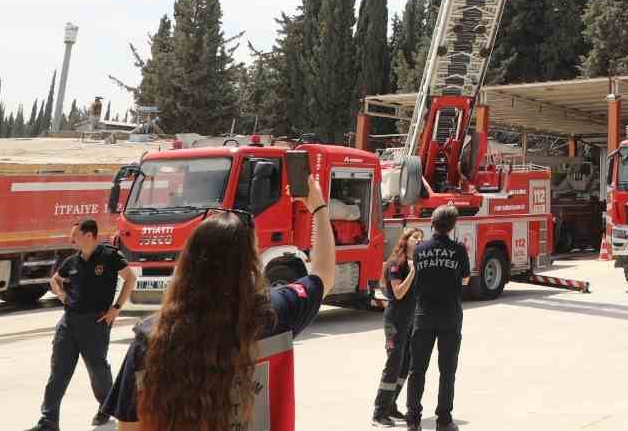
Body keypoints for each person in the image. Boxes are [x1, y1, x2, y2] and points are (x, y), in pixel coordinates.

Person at [107, 177, 335, 431]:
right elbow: (324, 273)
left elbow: (128, 426)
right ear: (250, 265)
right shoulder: (273, 314)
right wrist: (318, 207)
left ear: (188, 264)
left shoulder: (151, 338)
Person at [26, 218, 135, 431]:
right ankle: (48, 420)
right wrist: (62, 296)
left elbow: (130, 279)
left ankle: (106, 407)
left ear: (89, 235)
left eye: (75, 235)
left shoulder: (110, 256)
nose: (71, 240)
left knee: (97, 369)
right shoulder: (72, 261)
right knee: (59, 371)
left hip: (95, 322)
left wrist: (116, 308)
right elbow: (55, 280)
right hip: (69, 322)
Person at [407, 204, 472, 431]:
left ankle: (413, 420)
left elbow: (418, 275)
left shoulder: (419, 250)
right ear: (453, 226)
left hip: (423, 314)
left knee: (417, 369)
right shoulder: (459, 250)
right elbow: (465, 279)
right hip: (449, 315)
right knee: (447, 370)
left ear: (432, 223)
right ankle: (444, 419)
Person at [373, 227, 424, 426]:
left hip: (411, 321)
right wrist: (413, 272)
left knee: (406, 363)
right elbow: (399, 293)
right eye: (415, 237)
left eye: (421, 238)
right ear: (405, 240)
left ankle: (391, 406)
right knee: (393, 364)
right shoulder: (396, 264)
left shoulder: (416, 263)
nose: (419, 240)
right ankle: (379, 413)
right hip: (395, 321)